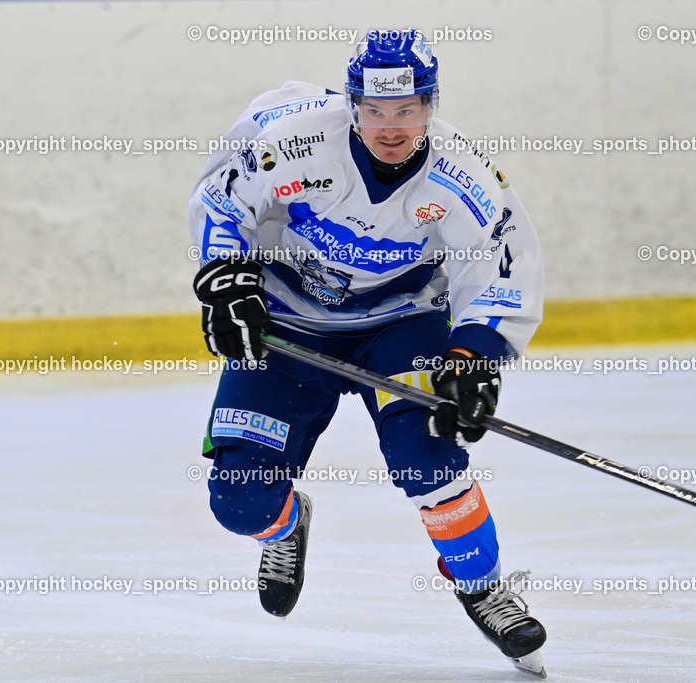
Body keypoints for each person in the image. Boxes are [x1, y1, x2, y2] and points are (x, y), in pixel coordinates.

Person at [188, 29, 547, 677]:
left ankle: (484, 584)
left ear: (430, 104)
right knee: (238, 498)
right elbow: (222, 199)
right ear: (353, 104)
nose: (391, 127)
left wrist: (473, 354)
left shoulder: (462, 173)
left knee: (428, 453)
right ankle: (286, 524)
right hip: (289, 325)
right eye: (376, 111)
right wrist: (228, 279)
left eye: (407, 110)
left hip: (401, 325)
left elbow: (501, 267)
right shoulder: (293, 137)